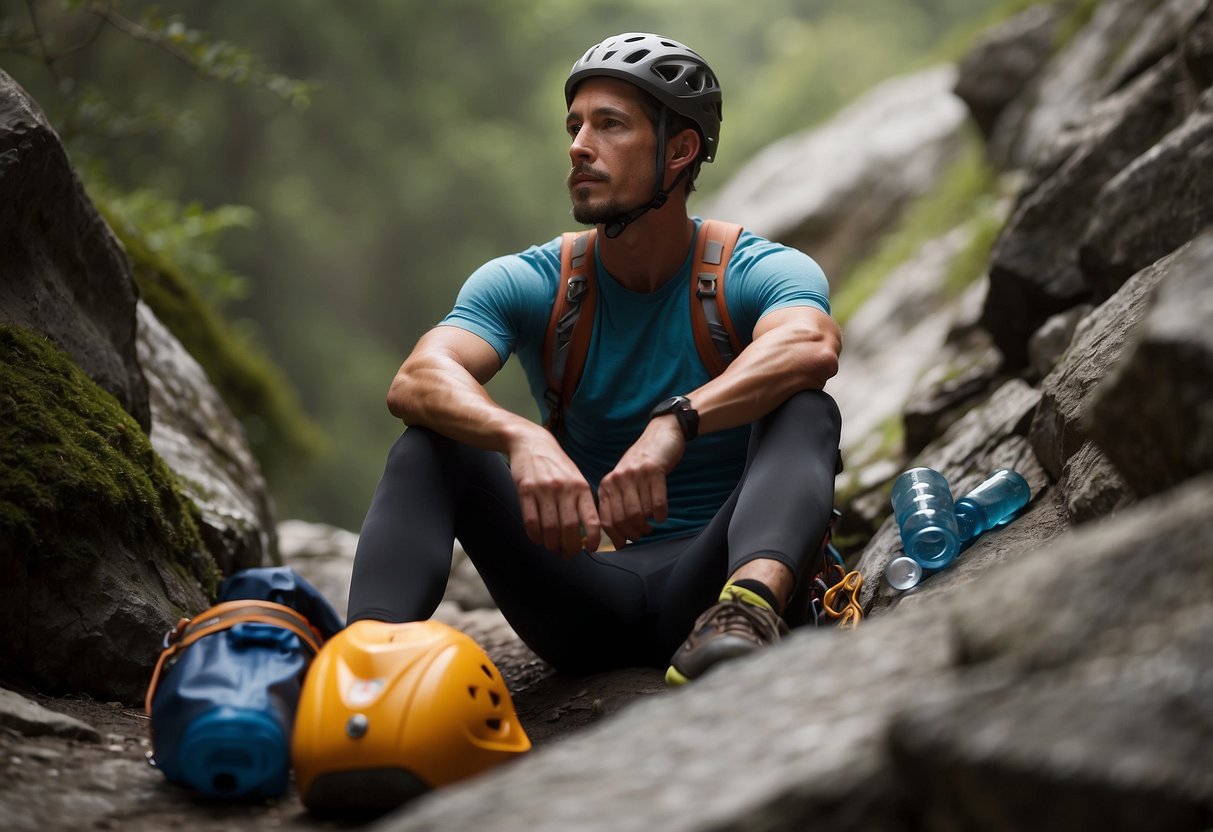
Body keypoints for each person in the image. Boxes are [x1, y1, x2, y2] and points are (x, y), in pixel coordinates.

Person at [348, 32, 842, 686]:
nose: (579, 146)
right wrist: (517, 436)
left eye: (609, 125)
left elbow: (809, 344)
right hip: (587, 598)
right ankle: (362, 669)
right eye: (575, 126)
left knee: (805, 407)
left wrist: (675, 423)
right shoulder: (533, 281)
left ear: (680, 150)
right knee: (428, 444)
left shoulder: (752, 270)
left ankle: (746, 615)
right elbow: (418, 378)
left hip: (717, 577)